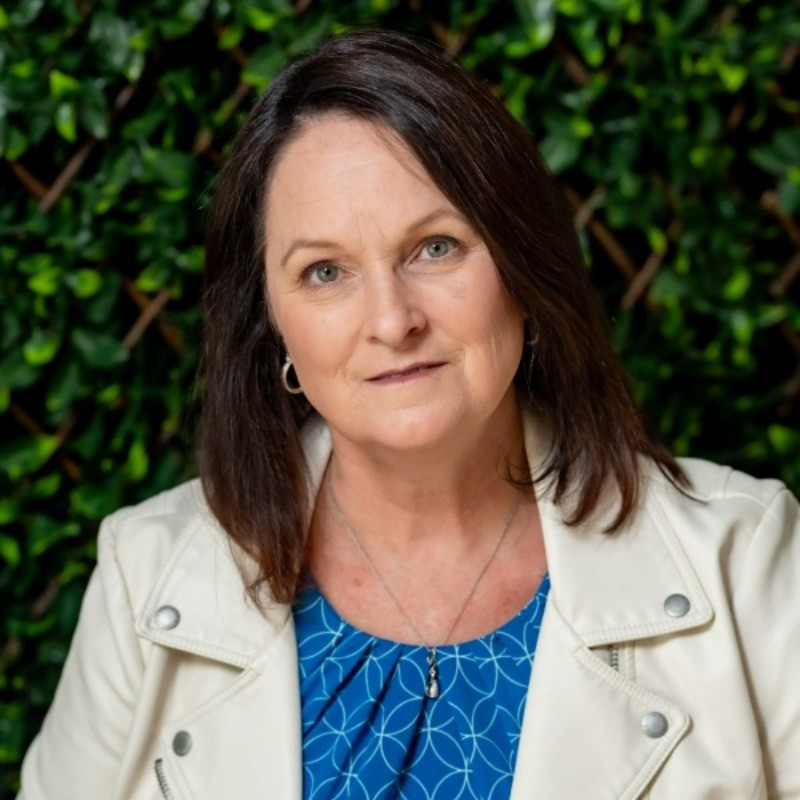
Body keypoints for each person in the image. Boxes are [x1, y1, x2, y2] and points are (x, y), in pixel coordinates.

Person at [18, 29, 800, 800]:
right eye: (325, 272)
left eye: (436, 247)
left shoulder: (746, 559)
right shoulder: (144, 574)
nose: (392, 321)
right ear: (275, 326)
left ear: (523, 268)